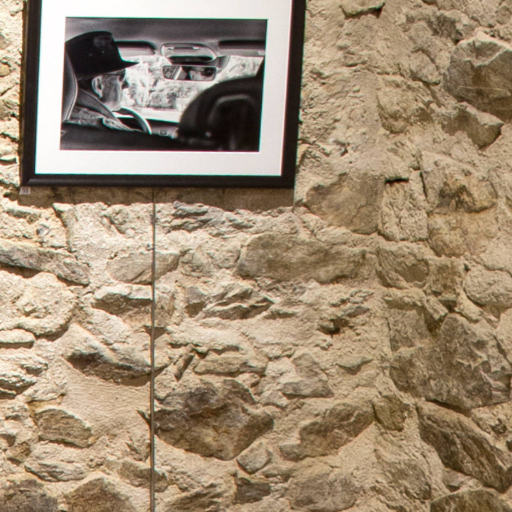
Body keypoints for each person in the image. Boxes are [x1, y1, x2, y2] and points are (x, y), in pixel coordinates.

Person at [63, 31, 150, 133]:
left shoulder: (62, 118)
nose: (127, 84)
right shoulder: (109, 132)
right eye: (121, 77)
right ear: (98, 85)